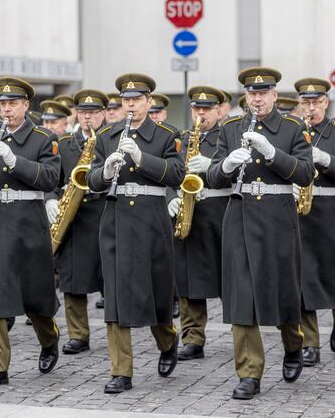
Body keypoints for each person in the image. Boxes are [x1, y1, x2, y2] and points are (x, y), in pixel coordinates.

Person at [207, 67, 315, 400]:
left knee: (283, 291)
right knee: (241, 296)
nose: (257, 98)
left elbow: (306, 173)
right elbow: (212, 177)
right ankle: (249, 372)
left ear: (273, 94)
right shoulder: (230, 128)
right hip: (239, 217)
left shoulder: (292, 127)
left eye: (263, 92)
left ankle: (293, 344)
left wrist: (272, 153)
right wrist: (225, 166)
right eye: (252, 93)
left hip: (277, 219)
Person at [0, 76, 61, 388]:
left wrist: (13, 160)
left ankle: (48, 339)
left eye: (13, 104)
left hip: (29, 224)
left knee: (36, 297)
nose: (6, 109)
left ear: (26, 105)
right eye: (3, 104)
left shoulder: (43, 138)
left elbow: (49, 179)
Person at [87, 73, 183, 394]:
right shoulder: (106, 135)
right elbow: (91, 179)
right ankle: (121, 371)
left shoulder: (166, 135)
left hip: (151, 223)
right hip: (115, 222)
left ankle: (167, 341)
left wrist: (142, 159)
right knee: (115, 297)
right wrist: (106, 171)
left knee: (155, 295)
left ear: (149, 101)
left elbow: (178, 174)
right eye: (126, 100)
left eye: (136, 100)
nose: (130, 105)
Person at [294, 78, 335, 366]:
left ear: (326, 103)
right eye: (305, 102)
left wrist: (324, 158)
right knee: (304, 278)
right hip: (300, 211)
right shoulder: (293, 131)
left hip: (330, 209)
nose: (310, 107)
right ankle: (310, 343)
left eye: (315, 102)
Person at [167, 86, 229, 361]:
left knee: (230, 274)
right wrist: (171, 197)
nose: (201, 114)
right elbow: (167, 173)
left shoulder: (230, 136)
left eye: (206, 109)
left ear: (219, 110)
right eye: (196, 109)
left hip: (220, 212)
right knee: (189, 277)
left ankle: (243, 329)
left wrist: (213, 164)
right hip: (189, 212)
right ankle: (193, 337)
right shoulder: (181, 138)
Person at [47, 89, 108, 355]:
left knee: (110, 276)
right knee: (72, 278)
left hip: (106, 212)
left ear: (104, 114)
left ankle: (118, 329)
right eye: (83, 113)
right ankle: (78, 334)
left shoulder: (114, 140)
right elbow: (51, 179)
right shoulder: (64, 144)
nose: (87, 118)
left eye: (93, 113)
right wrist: (50, 199)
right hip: (74, 217)